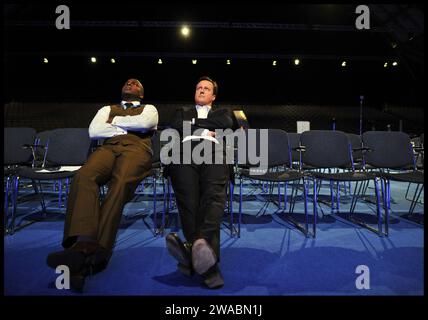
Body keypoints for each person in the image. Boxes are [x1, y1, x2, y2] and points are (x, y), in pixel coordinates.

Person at [46, 78, 158, 291]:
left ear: (141, 94)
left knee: (121, 183)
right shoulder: (106, 108)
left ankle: (93, 252)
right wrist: (124, 129)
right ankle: (83, 243)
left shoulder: (149, 108)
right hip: (107, 149)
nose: (130, 83)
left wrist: (113, 123)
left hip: (137, 151)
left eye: (136, 83)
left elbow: (145, 124)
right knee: (84, 175)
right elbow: (94, 131)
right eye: (127, 82)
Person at [165, 76, 236, 289]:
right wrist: (202, 129)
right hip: (184, 151)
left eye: (206, 88)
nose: (202, 90)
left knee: (213, 197)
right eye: (198, 88)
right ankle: (209, 267)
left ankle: (192, 250)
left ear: (213, 96)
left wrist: (193, 126)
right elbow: (174, 126)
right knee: (188, 202)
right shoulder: (182, 111)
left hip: (214, 149)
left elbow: (225, 124)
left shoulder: (222, 112)